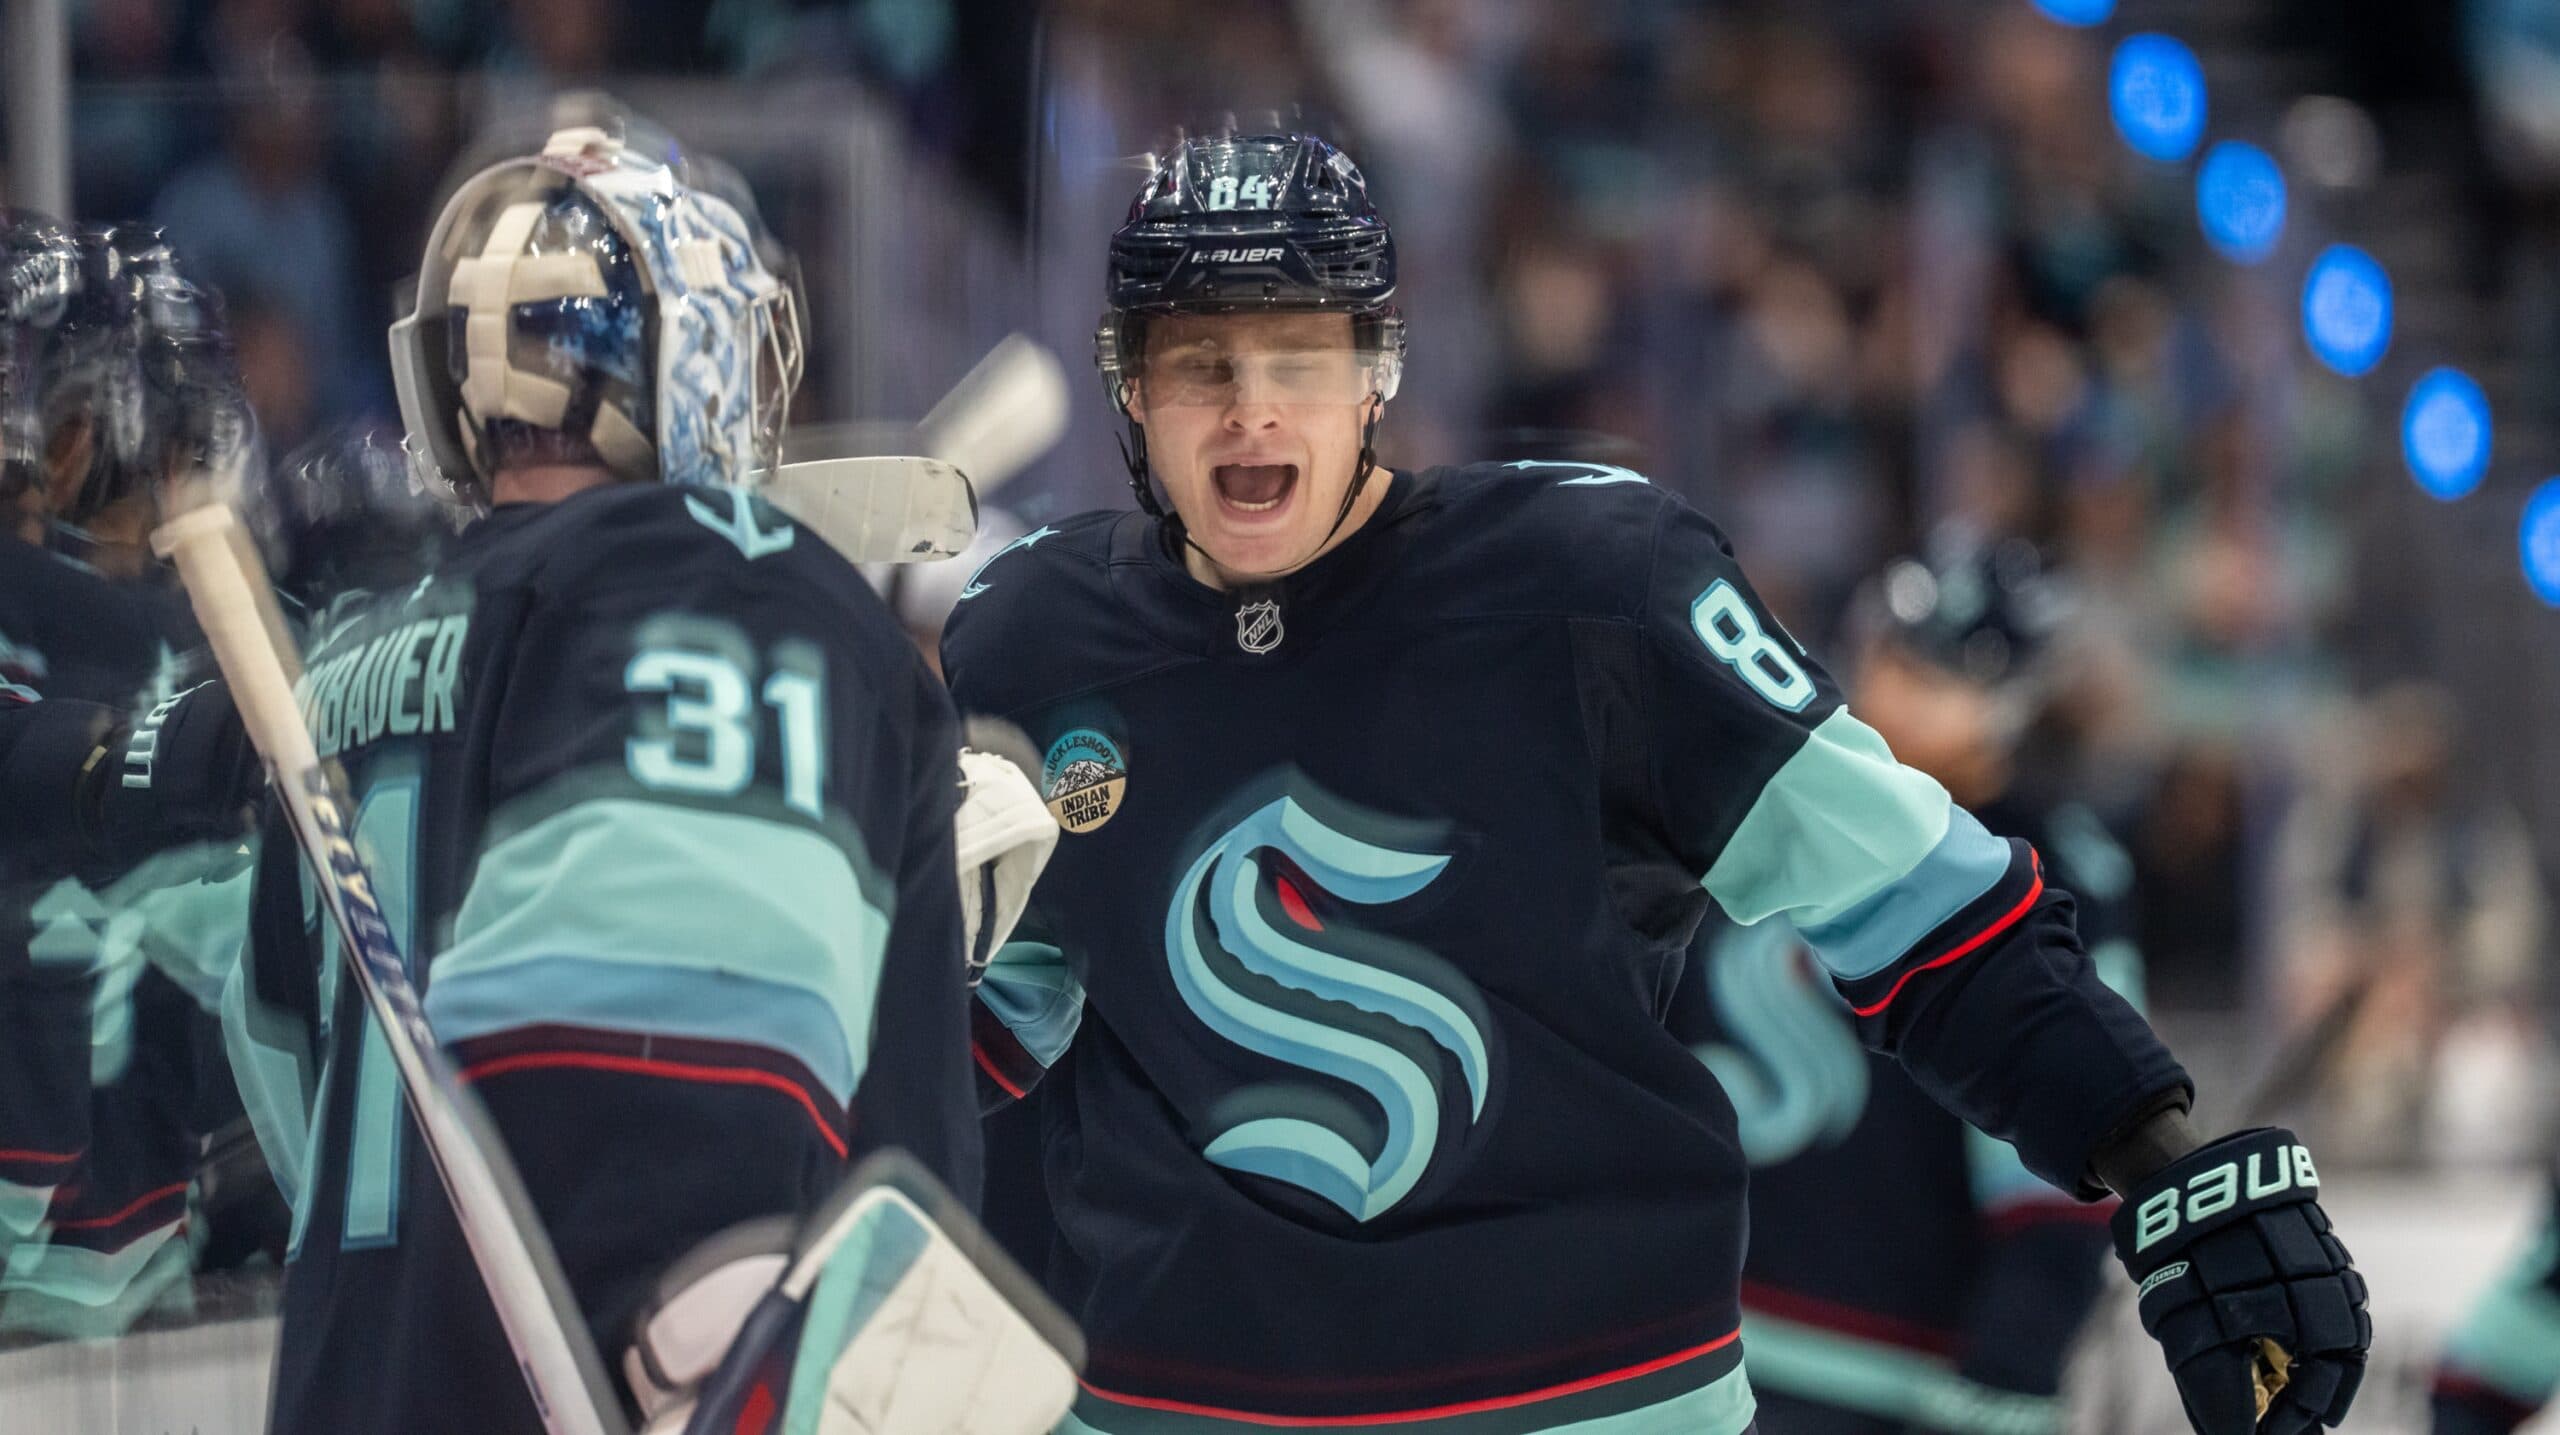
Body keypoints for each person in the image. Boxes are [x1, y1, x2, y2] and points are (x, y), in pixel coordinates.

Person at [942, 131, 2370, 1435]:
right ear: (1128, 382)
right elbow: (986, 1028)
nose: (1250, 411)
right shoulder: (1029, 637)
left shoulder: (1597, 588)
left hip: (1588, 1404)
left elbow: (1912, 898)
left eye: (1296, 356)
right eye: (1200, 361)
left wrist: (2162, 1150)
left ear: (1377, 369)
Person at [224, 125, 978, 1433]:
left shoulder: (342, 661)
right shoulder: (747, 585)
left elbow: (278, 1070)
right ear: (675, 358)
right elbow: (661, 1098)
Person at [1669, 538, 2146, 1435]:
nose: (1894, 689)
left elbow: (2067, 1156)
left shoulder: (2048, 869)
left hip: (1886, 1379)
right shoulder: (1762, 800)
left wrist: (2016, 1364)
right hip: (1686, 1346)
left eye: (1936, 673)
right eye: (1894, 653)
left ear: (2013, 700)